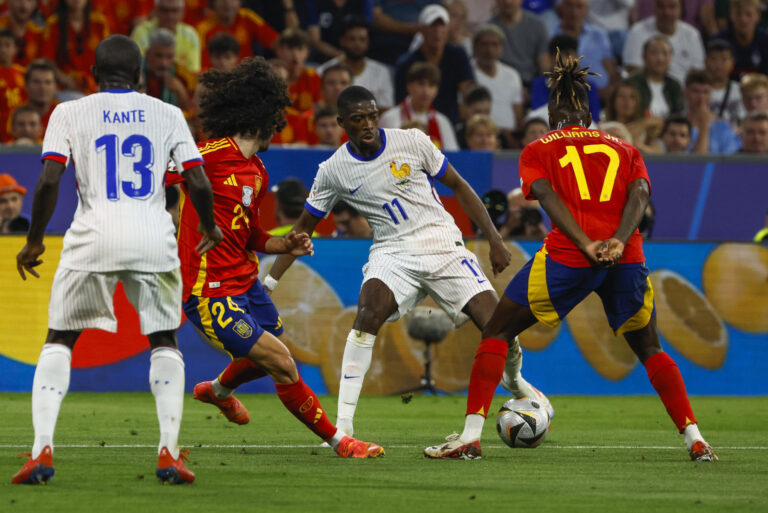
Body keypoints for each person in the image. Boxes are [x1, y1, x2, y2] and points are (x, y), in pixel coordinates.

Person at [423, 50, 717, 462]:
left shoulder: (538, 148)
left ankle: (469, 438)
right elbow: (641, 195)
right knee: (651, 348)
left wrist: (586, 244)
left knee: (497, 332)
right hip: (626, 258)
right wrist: (615, 239)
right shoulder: (624, 148)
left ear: (552, 114)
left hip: (569, 256)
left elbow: (544, 195)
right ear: (588, 114)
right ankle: (696, 439)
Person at [256, 84, 550, 438]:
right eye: (358, 119)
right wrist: (270, 283)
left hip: (443, 244)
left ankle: (516, 382)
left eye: (372, 116)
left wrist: (494, 238)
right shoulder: (333, 170)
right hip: (392, 251)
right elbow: (303, 229)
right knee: (367, 313)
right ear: (342, 123)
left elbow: (458, 184)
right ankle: (344, 427)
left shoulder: (412, 141)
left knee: (497, 327)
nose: (368, 124)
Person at [12, 34, 222, 485]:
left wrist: (33, 240)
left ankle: (41, 449)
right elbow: (198, 183)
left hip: (94, 235)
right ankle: (168, 452)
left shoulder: (68, 111)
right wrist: (208, 226)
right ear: (141, 76)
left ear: (93, 76)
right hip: (152, 236)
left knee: (60, 338)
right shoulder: (168, 114)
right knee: (164, 338)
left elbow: (50, 178)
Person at [172, 57, 384, 459]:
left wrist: (285, 244)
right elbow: (163, 178)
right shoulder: (208, 155)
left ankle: (217, 391)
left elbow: (250, 234)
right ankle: (341, 442)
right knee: (284, 364)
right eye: (277, 114)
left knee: (269, 355)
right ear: (263, 114)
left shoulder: (257, 170)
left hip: (247, 285)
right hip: (211, 292)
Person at [394, 4, 474, 124]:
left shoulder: (458, 55)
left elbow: (467, 89)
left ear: (448, 28)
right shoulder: (406, 63)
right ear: (421, 29)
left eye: (442, 25)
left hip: (451, 121)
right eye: (432, 25)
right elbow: (401, 101)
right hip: (416, 122)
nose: (437, 31)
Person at [316, 15, 394, 110]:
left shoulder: (381, 72)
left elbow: (387, 110)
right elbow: (319, 107)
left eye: (362, 39)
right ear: (342, 41)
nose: (357, 44)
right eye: (352, 39)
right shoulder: (324, 71)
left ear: (368, 42)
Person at [380, 61, 459, 150]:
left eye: (431, 85)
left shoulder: (442, 122)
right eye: (421, 84)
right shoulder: (389, 118)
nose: (426, 91)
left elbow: (453, 156)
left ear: (437, 90)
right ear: (409, 86)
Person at [623, 0, 705, 85]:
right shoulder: (637, 31)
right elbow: (633, 69)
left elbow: (698, 72)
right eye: (661, 7)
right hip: (647, 87)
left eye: (672, 7)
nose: (666, 12)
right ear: (654, 8)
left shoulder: (692, 34)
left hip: (685, 91)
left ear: (681, 9)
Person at [40, 0, 111, 93]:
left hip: (94, 86)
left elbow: (108, 59)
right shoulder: (53, 23)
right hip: (64, 87)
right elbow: (47, 60)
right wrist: (64, 79)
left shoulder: (100, 22)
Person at [471, 24, 524, 142]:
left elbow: (518, 114)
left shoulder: (512, 75)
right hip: (478, 138)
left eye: (495, 45)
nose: (489, 50)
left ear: (502, 48)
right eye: (484, 44)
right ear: (474, 46)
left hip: (508, 138)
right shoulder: (467, 72)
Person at [196, 0, 278, 70]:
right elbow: (202, 66)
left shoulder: (248, 17)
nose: (227, 3)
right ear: (213, 3)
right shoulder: (202, 30)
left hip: (248, 79)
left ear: (240, 2)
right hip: (216, 80)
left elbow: (277, 43)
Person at [488, 0, 550, 87]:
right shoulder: (488, 28)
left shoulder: (538, 25)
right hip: (500, 84)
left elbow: (544, 66)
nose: (508, 2)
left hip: (531, 84)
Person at [131, 0, 202, 73]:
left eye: (175, 10)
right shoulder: (141, 33)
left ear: (183, 12)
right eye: (165, 10)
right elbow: (136, 68)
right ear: (155, 11)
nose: (170, 16)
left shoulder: (191, 35)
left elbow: (193, 72)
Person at [624, 36, 685, 119]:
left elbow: (678, 116)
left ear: (670, 58)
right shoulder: (631, 83)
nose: (660, 59)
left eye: (664, 53)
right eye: (654, 53)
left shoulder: (674, 85)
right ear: (644, 57)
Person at [684, 69, 742, 154]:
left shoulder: (723, 127)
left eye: (706, 92)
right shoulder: (677, 124)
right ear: (685, 93)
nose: (701, 98)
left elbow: (731, 160)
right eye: (696, 91)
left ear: (711, 95)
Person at [143, 29, 196, 112]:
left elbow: (192, 114)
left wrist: (181, 92)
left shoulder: (182, 75)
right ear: (148, 54)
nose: (164, 63)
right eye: (159, 56)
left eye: (169, 57)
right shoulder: (134, 71)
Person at [713, 0, 768, 78]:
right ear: (731, 15)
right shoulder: (718, 41)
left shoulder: (765, 41)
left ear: (758, 16)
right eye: (738, 14)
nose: (743, 19)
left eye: (748, 14)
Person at [274, 28, 322, 113]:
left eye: (300, 49)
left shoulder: (313, 77)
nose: (295, 54)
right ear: (279, 50)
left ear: (307, 53)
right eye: (290, 48)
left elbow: (319, 110)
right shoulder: (270, 77)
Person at [706, 39, 746, 130]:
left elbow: (743, 122)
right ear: (705, 61)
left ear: (732, 63)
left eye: (724, 59)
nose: (718, 65)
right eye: (713, 59)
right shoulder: (697, 90)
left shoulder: (740, 90)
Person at [0, 28, 27, 142]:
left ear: (15, 49)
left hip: (22, 124)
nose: (3, 49)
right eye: (0, 45)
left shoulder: (24, 73)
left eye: (7, 45)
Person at [0, 0, 43, 65]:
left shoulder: (39, 33)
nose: (24, 5)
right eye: (19, 0)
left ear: (36, 4)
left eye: (29, 1)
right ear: (8, 2)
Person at [23, 59, 58, 137]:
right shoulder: (14, 115)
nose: (42, 87)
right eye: (36, 82)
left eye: (47, 82)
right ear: (26, 86)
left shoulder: (66, 115)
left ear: (55, 87)